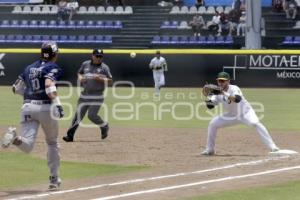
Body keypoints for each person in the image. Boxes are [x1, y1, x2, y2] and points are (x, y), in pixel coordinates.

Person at [1, 42, 64, 190]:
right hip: (46, 108)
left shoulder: (29, 67)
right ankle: (54, 179)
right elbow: (49, 86)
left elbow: (15, 88)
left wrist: (31, 93)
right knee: (52, 143)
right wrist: (59, 104)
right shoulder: (53, 67)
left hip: (28, 107)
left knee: (27, 145)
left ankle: (14, 137)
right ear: (54, 54)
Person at [201, 72, 280, 155]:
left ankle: (273, 147)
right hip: (231, 115)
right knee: (213, 124)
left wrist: (223, 93)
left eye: (223, 81)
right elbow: (210, 106)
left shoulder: (234, 88)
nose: (220, 83)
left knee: (255, 123)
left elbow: (237, 99)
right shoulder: (216, 93)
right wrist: (208, 97)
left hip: (246, 113)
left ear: (228, 81)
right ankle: (210, 149)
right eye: (219, 81)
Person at [62, 49, 112, 142]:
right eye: (97, 56)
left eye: (101, 56)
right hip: (85, 94)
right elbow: (80, 73)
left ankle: (104, 126)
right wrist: (80, 77)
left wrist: (101, 79)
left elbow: (110, 81)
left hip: (97, 95)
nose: (99, 58)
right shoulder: (85, 64)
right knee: (78, 116)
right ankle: (70, 136)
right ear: (92, 56)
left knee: (92, 115)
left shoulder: (104, 67)